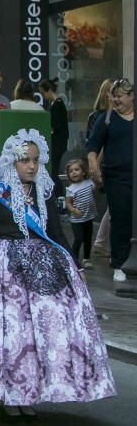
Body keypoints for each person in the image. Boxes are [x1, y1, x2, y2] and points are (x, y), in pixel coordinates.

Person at [0, 129, 115, 421]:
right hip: (2, 268)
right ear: (12, 162)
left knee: (39, 332)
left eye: (36, 161)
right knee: (8, 333)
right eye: (25, 160)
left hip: (42, 266)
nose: (31, 166)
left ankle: (30, 392)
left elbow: (55, 232)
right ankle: (8, 394)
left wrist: (75, 266)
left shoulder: (44, 192)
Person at [87, 78, 134, 282]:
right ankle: (119, 264)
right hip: (116, 178)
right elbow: (93, 145)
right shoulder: (107, 118)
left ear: (131, 96)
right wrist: (93, 166)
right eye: (113, 96)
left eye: (120, 96)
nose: (115, 100)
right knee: (121, 219)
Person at [64, 159, 97, 269]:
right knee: (79, 238)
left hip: (89, 216)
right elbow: (68, 203)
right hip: (77, 220)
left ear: (83, 172)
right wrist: (73, 210)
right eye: (71, 171)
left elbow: (95, 187)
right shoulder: (71, 189)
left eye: (77, 169)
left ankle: (87, 259)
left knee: (88, 238)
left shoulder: (89, 182)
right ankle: (74, 259)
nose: (73, 172)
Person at [40, 78, 68, 196]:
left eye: (43, 93)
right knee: (53, 171)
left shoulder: (57, 104)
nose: (43, 96)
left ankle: (59, 196)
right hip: (57, 142)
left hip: (57, 143)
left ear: (49, 90)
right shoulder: (55, 104)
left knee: (53, 171)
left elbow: (57, 125)